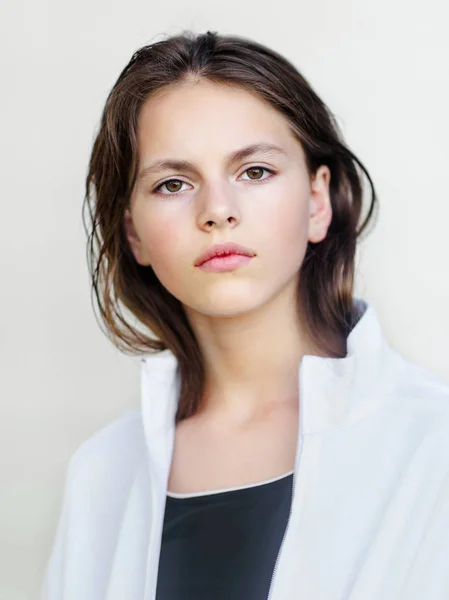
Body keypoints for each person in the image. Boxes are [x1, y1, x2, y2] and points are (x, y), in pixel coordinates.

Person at [41, 30, 449, 600]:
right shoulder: (102, 475)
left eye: (254, 171)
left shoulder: (434, 444)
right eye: (173, 183)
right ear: (133, 232)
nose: (217, 212)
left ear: (316, 200)